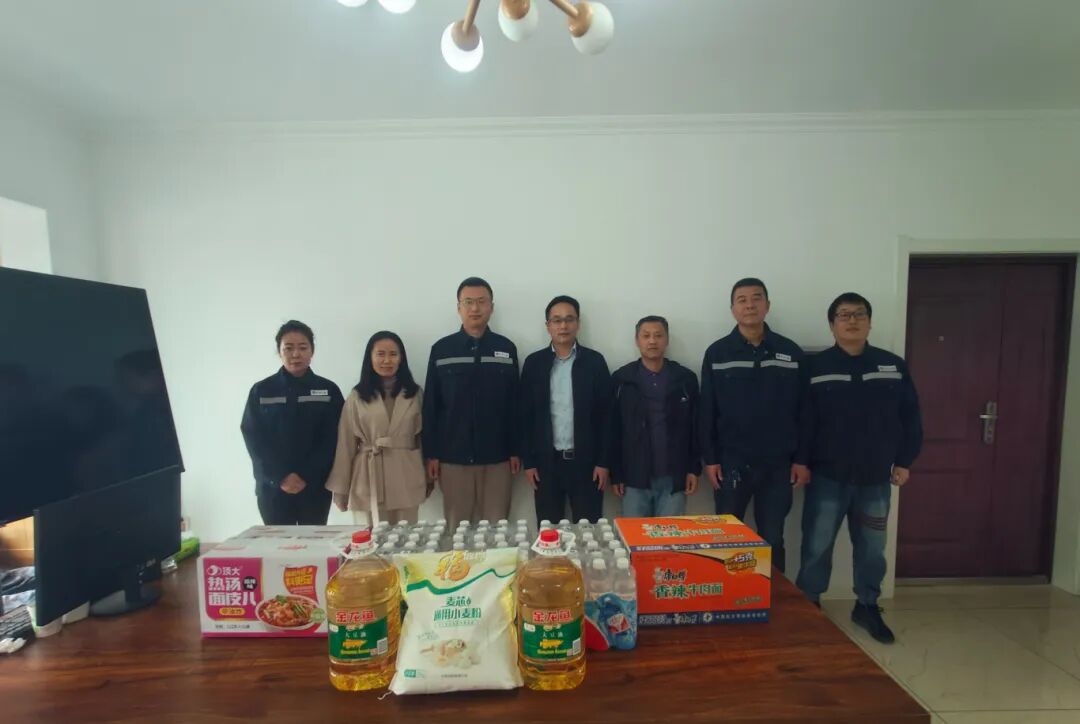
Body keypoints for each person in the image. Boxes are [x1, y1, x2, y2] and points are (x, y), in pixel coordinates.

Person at [795, 292, 923, 644]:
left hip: (875, 477)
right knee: (817, 545)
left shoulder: (891, 366)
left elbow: (910, 417)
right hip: (826, 475)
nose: (852, 321)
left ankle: (866, 605)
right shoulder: (815, 367)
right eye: (844, 315)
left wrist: (905, 461)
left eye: (859, 314)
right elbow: (804, 420)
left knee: (871, 547)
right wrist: (801, 461)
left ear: (869, 321)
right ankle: (810, 604)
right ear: (832, 324)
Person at [699, 278, 806, 573]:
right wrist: (710, 459)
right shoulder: (718, 353)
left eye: (756, 298)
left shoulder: (790, 352)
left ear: (767, 305)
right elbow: (706, 410)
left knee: (772, 537)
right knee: (727, 538)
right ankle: (731, 594)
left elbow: (805, 410)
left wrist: (802, 459)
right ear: (733, 309)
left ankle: (774, 596)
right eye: (742, 300)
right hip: (731, 462)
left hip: (778, 464)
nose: (749, 305)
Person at [422, 277, 521, 530]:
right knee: (457, 531)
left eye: (481, 302)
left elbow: (515, 405)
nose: (475, 308)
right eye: (468, 302)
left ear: (491, 307)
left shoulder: (506, 349)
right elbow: (431, 406)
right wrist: (431, 454)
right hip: (453, 459)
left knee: (497, 530)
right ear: (459, 307)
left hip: (498, 458)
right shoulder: (442, 349)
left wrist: (516, 450)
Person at [520, 296, 613, 525]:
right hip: (546, 464)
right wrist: (529, 462)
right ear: (548, 325)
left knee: (589, 531)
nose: (563, 326)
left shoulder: (594, 362)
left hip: (587, 464)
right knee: (549, 531)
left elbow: (607, 417)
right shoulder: (534, 363)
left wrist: (603, 462)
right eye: (557, 320)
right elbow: (524, 417)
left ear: (578, 324)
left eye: (569, 319)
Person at [241, 320, 344, 525]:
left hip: (314, 487)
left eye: (303, 347)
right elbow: (254, 438)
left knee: (313, 541)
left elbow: (334, 438)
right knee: (278, 542)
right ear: (279, 351)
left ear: (312, 351)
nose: (296, 354)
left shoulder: (328, 390)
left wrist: (307, 475)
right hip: (273, 488)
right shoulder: (261, 391)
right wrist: (280, 476)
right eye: (288, 348)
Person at [325, 331, 428, 526]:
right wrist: (340, 488)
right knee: (369, 538)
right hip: (368, 476)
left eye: (393, 354)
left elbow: (423, 439)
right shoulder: (357, 396)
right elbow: (345, 444)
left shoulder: (415, 394)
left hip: (406, 474)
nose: (387, 360)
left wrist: (428, 476)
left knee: (406, 536)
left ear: (401, 358)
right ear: (370, 358)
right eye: (380, 354)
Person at [610, 316, 700, 517]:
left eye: (658, 335)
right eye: (646, 336)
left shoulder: (685, 379)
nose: (652, 341)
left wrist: (693, 468)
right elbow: (613, 430)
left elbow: (695, 427)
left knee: (670, 536)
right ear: (637, 340)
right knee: (634, 536)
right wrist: (616, 474)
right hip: (634, 477)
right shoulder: (622, 379)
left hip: (673, 476)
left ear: (667, 340)